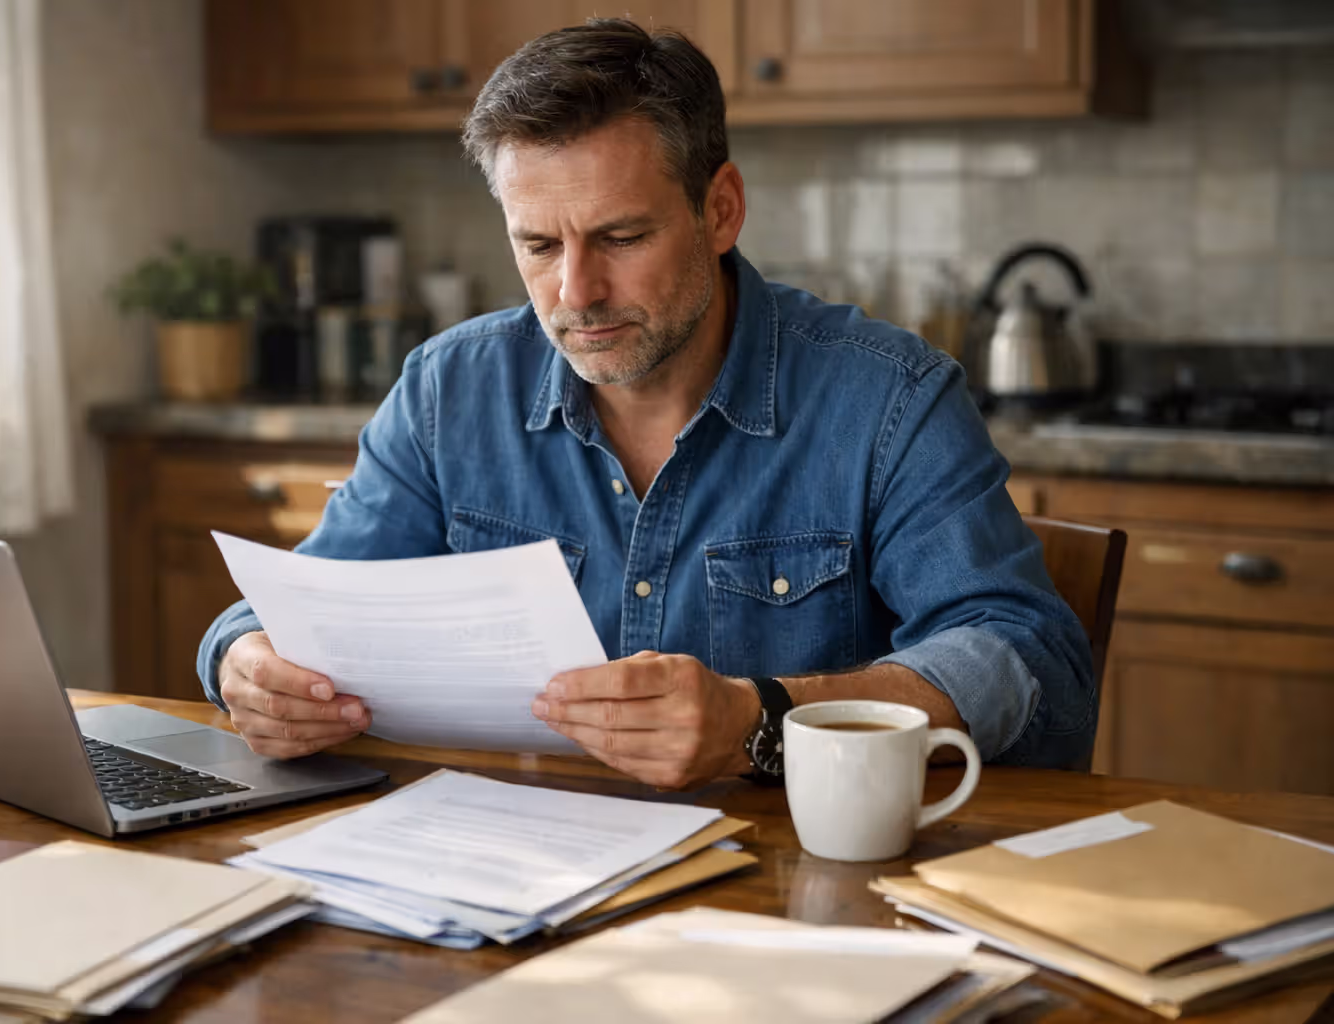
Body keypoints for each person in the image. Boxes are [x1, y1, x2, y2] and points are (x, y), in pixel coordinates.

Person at [198, 19, 1095, 789]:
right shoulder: (446, 390)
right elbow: (307, 607)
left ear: (721, 210)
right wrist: (245, 663)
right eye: (539, 244)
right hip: (508, 877)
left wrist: (763, 716)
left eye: (621, 237)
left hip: (785, 899)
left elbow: (1028, 660)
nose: (576, 291)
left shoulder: (889, 399)